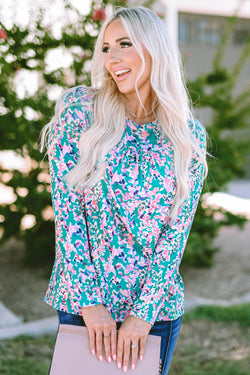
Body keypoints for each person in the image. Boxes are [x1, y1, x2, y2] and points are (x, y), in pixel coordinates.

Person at [41, 6, 207, 375]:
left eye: (124, 44)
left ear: (153, 49)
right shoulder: (81, 110)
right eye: (106, 47)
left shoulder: (187, 136)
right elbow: (67, 214)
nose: (111, 58)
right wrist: (90, 304)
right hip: (85, 307)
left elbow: (174, 236)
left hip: (153, 313)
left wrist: (142, 315)